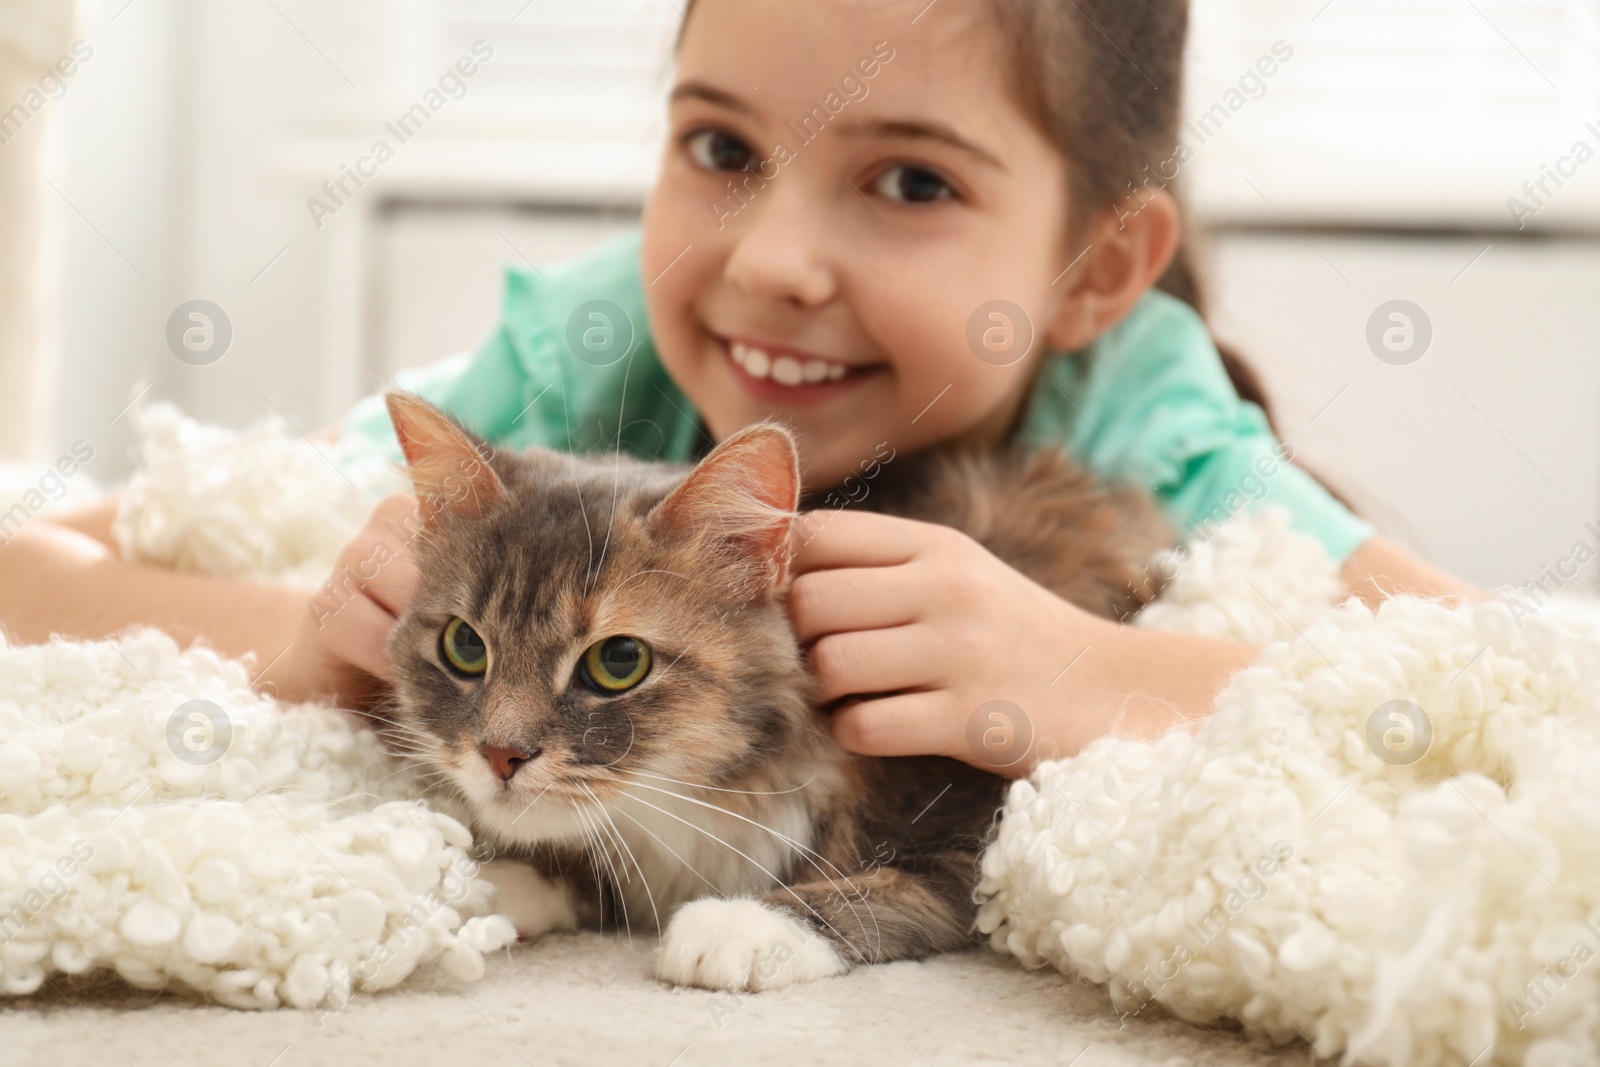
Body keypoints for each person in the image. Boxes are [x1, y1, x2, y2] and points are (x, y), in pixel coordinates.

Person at [0, 0, 1479, 776]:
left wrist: (1091, 674)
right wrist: (314, 636)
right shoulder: (590, 352)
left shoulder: (1132, 401)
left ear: (1096, 267)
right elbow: (32, 565)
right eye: (720, 149)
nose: (770, 262)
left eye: (909, 181)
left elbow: (1497, 686)